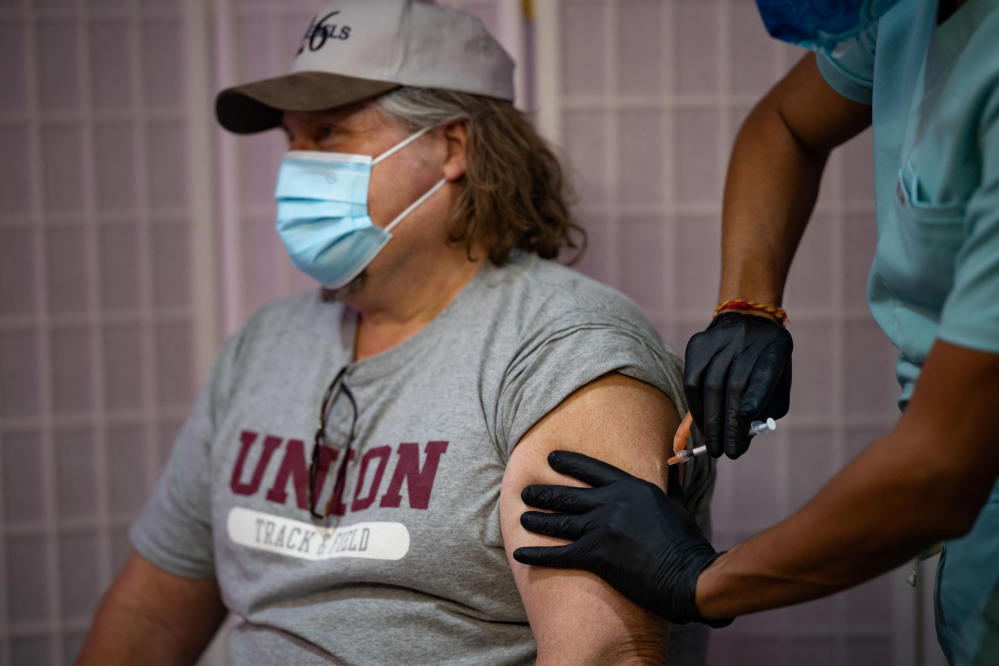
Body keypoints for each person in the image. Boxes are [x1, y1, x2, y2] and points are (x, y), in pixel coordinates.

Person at [75, 1, 717, 664]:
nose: (294, 168)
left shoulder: (564, 354)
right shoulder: (263, 347)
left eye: (326, 135)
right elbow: (150, 615)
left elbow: (600, 655)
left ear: (451, 146)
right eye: (290, 140)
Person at [513, 0, 999, 663]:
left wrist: (698, 579)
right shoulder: (904, 16)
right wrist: (749, 305)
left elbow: (943, 471)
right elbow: (784, 126)